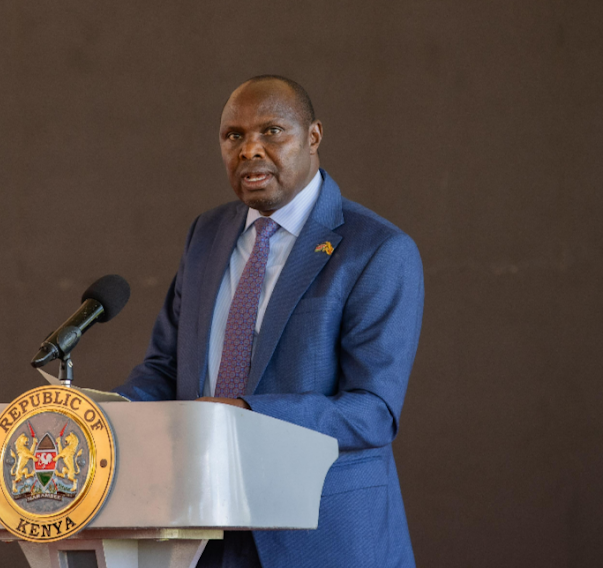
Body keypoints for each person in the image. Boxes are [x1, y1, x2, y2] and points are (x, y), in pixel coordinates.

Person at [114, 75, 424, 568]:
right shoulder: (206, 235)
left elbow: (372, 412)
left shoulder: (377, 250)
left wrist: (244, 416)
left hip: (318, 538)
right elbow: (165, 368)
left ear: (313, 137)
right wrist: (106, 414)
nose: (250, 149)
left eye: (272, 131)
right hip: (200, 530)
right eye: (233, 136)